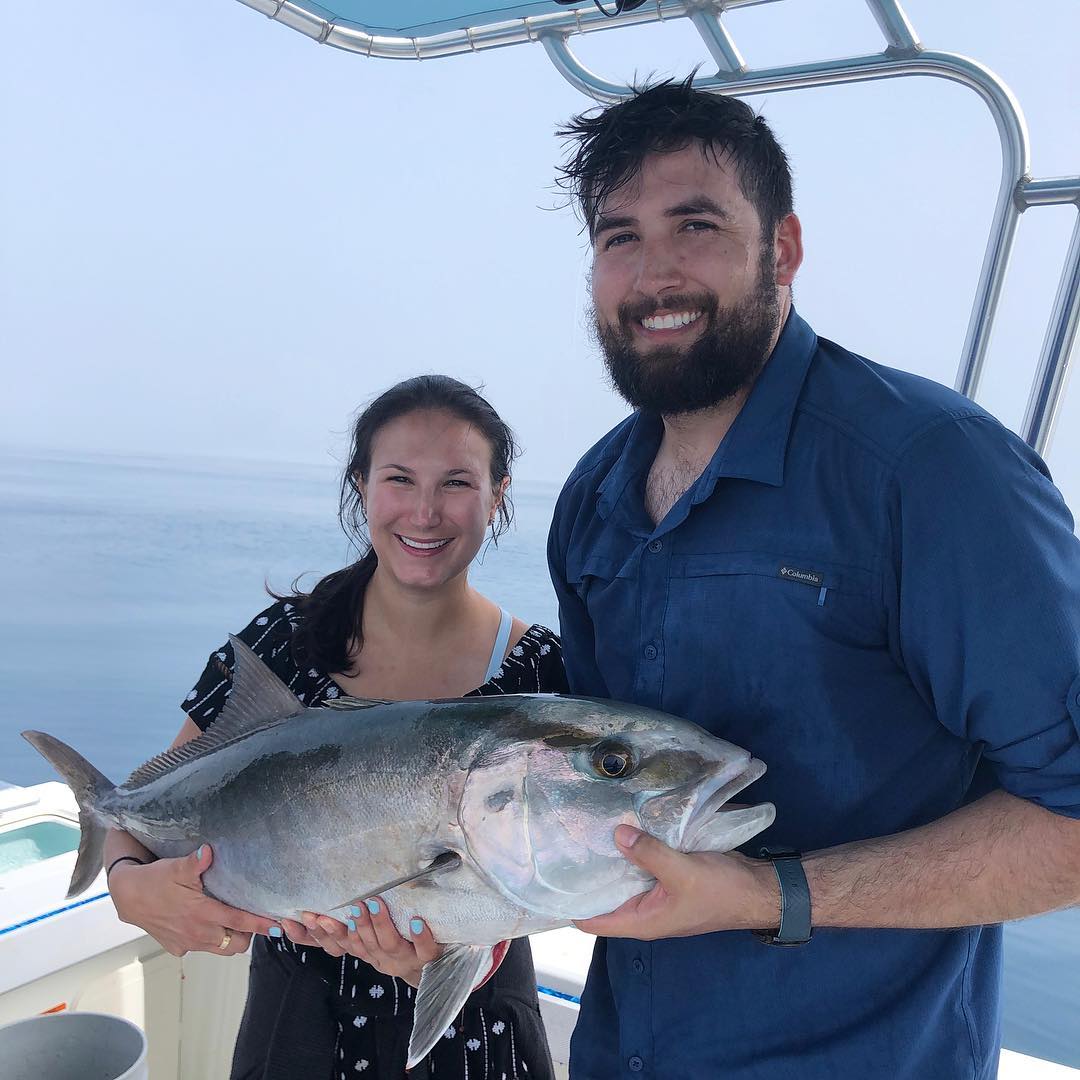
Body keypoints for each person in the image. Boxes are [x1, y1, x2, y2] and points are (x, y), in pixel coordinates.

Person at [546, 78, 1080, 1079]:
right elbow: (596, 794)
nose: (653, 273)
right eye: (619, 237)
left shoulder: (930, 470)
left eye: (694, 225)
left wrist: (768, 894)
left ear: (782, 248)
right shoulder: (593, 497)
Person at [104, 375, 565, 1080]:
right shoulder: (284, 643)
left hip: (478, 1023)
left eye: (457, 483)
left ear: (498, 495)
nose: (425, 511)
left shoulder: (541, 674)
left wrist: (462, 956)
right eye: (400, 479)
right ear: (362, 486)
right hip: (298, 1022)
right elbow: (154, 806)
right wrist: (127, 882)